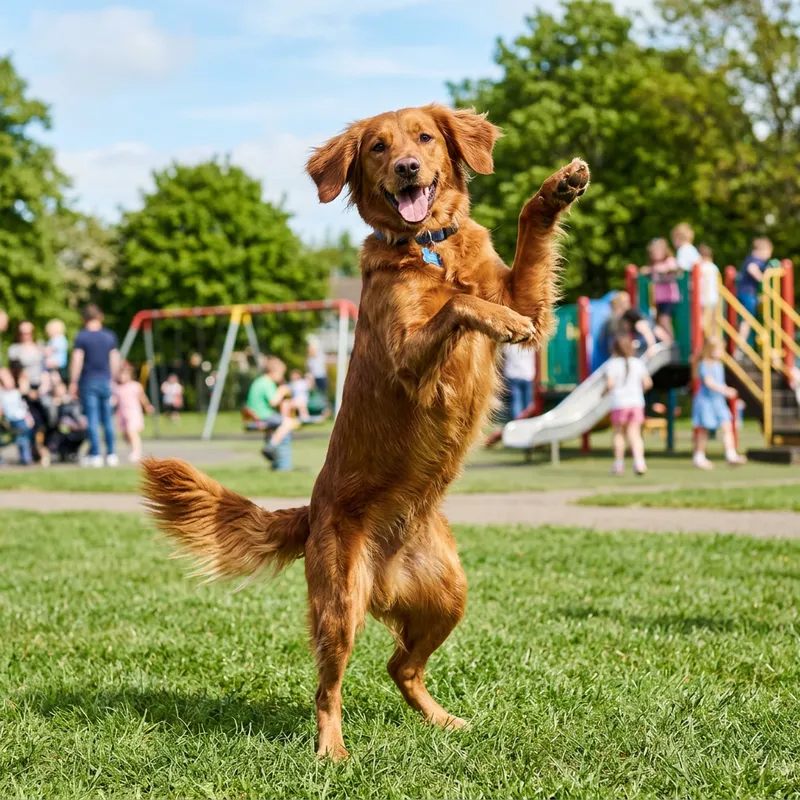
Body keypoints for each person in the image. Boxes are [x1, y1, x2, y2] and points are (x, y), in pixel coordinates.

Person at [69, 304, 120, 468]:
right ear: (100, 317)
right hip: (106, 381)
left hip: (89, 381)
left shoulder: (82, 337)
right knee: (108, 419)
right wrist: (115, 379)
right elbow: (114, 359)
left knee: (92, 418)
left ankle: (96, 454)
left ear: (84, 319)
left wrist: (73, 381)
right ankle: (111, 453)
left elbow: (77, 360)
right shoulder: (109, 336)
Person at [692, 336, 747, 469]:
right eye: (720, 350)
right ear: (711, 350)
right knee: (704, 430)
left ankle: (731, 454)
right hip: (706, 402)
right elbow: (709, 383)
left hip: (718, 402)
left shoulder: (719, 365)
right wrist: (725, 390)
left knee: (727, 426)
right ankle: (699, 456)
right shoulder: (705, 364)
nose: (722, 352)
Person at [606, 335, 652, 476]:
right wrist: (639, 391)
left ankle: (619, 465)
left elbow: (610, 384)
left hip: (619, 403)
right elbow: (647, 383)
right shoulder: (637, 363)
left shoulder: (612, 364)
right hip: (636, 403)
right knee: (635, 434)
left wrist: (605, 392)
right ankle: (639, 463)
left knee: (619, 433)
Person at [244, 356, 299, 463]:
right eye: (281, 374)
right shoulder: (267, 383)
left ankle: (271, 446)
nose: (281, 377)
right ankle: (270, 446)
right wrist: (281, 391)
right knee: (288, 422)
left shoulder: (259, 381)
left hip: (254, 414)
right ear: (275, 372)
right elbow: (273, 402)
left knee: (277, 424)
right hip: (263, 414)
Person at [736, 237, 773, 353]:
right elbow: (752, 268)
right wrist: (763, 280)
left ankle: (743, 345)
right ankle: (740, 346)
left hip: (746, 293)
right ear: (764, 250)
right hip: (748, 293)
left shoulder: (750, 258)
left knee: (748, 319)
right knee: (747, 319)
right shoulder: (756, 259)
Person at [641, 238, 679, 340]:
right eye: (653, 252)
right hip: (659, 299)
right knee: (659, 321)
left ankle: (671, 340)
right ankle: (666, 340)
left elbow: (674, 269)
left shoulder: (669, 261)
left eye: (657, 251)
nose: (654, 254)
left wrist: (658, 269)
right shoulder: (654, 266)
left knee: (664, 320)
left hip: (669, 298)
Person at [116, 362, 153, 463]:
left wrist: (147, 406)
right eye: (121, 375)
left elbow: (142, 397)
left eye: (125, 375)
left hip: (133, 413)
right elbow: (115, 400)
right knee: (125, 434)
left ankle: (136, 451)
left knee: (132, 432)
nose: (122, 377)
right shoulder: (118, 388)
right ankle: (133, 447)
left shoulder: (135, 386)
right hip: (122, 414)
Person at [0, 367, 34, 465]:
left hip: (20, 419)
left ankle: (26, 458)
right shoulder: (2, 393)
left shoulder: (16, 392)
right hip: (7, 420)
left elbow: (24, 406)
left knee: (23, 439)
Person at [503, 342, 535, 420]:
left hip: (513, 374)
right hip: (527, 374)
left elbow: (504, 355)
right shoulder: (529, 344)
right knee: (528, 401)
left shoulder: (509, 345)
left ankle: (517, 421)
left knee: (516, 401)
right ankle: (527, 420)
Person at [698, 244, 720, 335]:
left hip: (703, 297)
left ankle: (703, 337)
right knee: (711, 320)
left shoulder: (701, 267)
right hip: (714, 297)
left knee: (702, 319)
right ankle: (712, 337)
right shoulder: (714, 267)